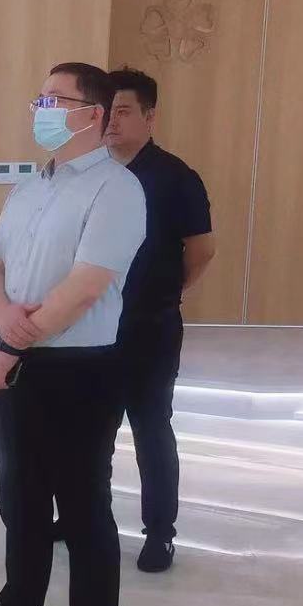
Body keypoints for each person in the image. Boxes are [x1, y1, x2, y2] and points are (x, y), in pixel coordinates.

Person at [0, 63, 145, 606]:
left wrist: (11, 342)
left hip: (81, 369)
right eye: (41, 97)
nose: (42, 108)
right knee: (20, 498)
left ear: (94, 114)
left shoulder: (117, 189)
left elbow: (86, 286)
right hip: (21, 359)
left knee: (83, 511)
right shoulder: (30, 187)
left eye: (56, 99)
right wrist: (4, 318)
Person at [105, 66, 215, 573]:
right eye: (106, 111)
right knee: (91, 431)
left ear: (149, 117)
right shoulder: (91, 173)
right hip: (93, 329)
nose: (111, 121)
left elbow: (202, 251)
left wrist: (165, 292)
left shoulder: (176, 178)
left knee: (151, 430)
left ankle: (159, 534)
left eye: (124, 111)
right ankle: (85, 517)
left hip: (150, 327)